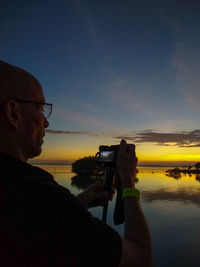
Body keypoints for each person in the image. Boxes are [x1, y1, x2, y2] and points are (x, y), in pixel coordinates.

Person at [0, 60, 153, 267]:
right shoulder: (38, 196)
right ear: (13, 113)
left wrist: (76, 203)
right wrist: (127, 182)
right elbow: (141, 259)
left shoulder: (28, 199)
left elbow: (31, 226)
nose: (46, 122)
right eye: (41, 110)